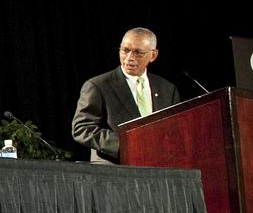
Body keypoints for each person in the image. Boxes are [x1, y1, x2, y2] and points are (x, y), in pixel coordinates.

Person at [72, 27, 180, 163]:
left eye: (138, 53)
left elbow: (176, 130)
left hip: (159, 166)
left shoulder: (167, 89)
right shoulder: (98, 85)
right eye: (125, 50)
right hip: (116, 168)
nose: (129, 58)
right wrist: (126, 146)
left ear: (153, 55)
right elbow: (82, 128)